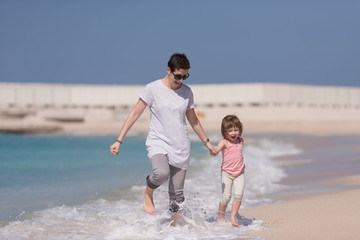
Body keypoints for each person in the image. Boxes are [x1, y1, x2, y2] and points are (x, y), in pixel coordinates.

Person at [110, 53, 215, 221]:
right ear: (168, 70)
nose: (181, 80)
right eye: (178, 76)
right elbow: (134, 113)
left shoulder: (187, 92)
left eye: (185, 76)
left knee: (177, 196)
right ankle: (148, 192)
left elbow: (193, 119)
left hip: (180, 144)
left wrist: (207, 143)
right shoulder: (152, 88)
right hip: (158, 141)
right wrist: (119, 140)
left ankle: (174, 229)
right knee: (161, 173)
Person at [210, 115, 245, 227]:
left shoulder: (240, 141)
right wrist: (214, 151)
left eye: (236, 129)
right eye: (230, 131)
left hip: (240, 173)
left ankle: (232, 217)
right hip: (227, 173)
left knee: (239, 195)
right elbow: (216, 151)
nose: (233, 133)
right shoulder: (224, 142)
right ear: (224, 132)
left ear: (239, 129)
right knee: (226, 196)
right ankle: (221, 217)